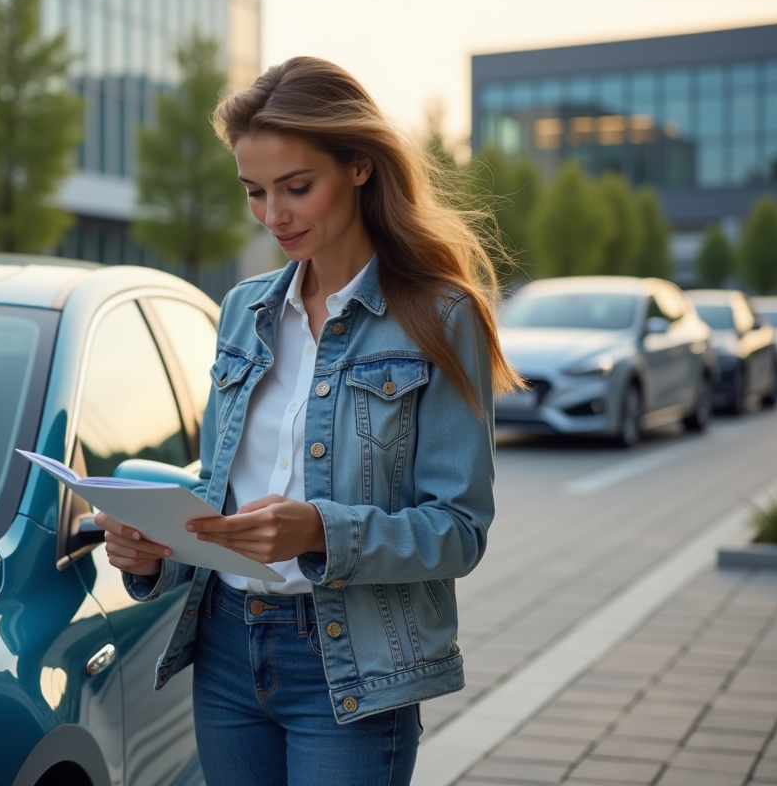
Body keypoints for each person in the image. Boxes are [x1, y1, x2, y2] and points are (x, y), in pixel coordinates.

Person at [93, 56, 520, 786]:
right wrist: (157, 551)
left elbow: (459, 529)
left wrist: (320, 530)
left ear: (359, 167)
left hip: (350, 661)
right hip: (227, 645)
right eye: (255, 192)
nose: (272, 215)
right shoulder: (241, 310)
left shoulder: (441, 318)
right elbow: (221, 488)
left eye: (296, 188)